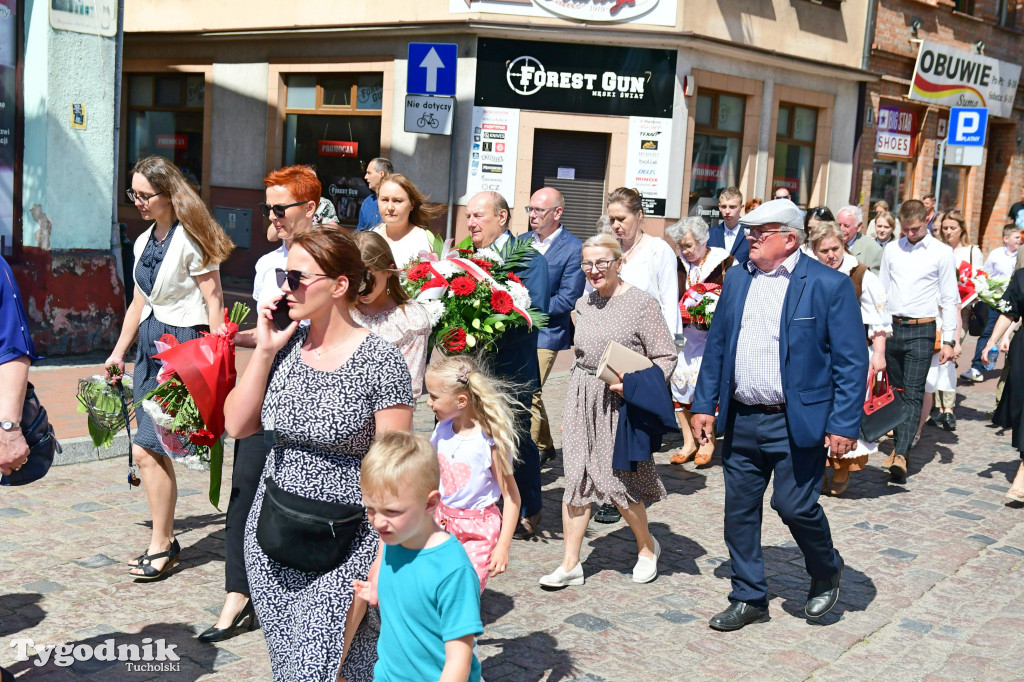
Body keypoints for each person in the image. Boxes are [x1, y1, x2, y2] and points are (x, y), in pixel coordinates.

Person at [223, 227, 414, 681]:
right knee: (295, 666)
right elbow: (237, 425)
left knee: (317, 668)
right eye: (285, 276)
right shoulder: (286, 344)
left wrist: (384, 556)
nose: (287, 287)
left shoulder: (380, 362)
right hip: (274, 533)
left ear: (339, 285)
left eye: (297, 276)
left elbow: (394, 467)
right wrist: (265, 349)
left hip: (347, 540)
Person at [691, 199, 866, 630]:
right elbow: (718, 346)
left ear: (789, 239)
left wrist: (843, 423)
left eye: (759, 232)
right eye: (748, 231)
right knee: (739, 513)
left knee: (794, 505)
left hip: (796, 421)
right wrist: (703, 404)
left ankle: (825, 569)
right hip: (744, 417)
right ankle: (749, 595)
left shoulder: (827, 284)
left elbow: (851, 361)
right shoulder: (737, 280)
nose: (749, 237)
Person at [200, 165, 320, 643]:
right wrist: (231, 337)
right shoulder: (264, 264)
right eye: (266, 207)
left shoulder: (335, 260)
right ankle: (238, 596)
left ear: (309, 208)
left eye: (280, 208)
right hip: (267, 383)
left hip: (318, 387)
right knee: (244, 487)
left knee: (304, 493)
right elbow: (270, 334)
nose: (271, 216)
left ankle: (302, 593)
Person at [105, 156, 233, 580]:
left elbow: (214, 302)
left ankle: (163, 543)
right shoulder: (144, 242)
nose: (138, 202)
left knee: (147, 447)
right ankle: (164, 540)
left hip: (180, 350)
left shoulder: (192, 239)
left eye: (145, 195)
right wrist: (118, 351)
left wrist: (215, 361)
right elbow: (139, 303)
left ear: (169, 193)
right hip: (147, 348)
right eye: (134, 194)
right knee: (150, 450)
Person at [539, 233, 676, 588]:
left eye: (602, 262)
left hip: (621, 403)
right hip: (582, 397)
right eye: (588, 264)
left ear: (619, 262)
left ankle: (647, 547)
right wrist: (575, 405)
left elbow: (665, 356)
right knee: (578, 477)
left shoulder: (642, 304)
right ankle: (570, 564)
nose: (594, 270)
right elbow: (581, 358)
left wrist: (633, 386)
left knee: (617, 479)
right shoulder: (583, 305)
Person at [355, 431, 484, 682]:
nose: (378, 522)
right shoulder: (396, 538)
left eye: (391, 511)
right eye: (371, 509)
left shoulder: (452, 570)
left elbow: (459, 659)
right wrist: (378, 589)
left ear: (429, 503)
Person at [465, 191, 550, 538]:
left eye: (478, 216)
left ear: (502, 218)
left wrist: (492, 317)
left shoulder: (530, 260)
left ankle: (530, 506)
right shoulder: (467, 259)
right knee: (477, 437)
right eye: (468, 216)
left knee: (515, 438)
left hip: (513, 366)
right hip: (475, 365)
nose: (471, 223)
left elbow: (536, 315)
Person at [598, 186, 681, 523]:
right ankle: (610, 491)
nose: (616, 225)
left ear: (639, 216)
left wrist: (667, 358)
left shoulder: (658, 250)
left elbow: (668, 301)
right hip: (609, 346)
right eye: (612, 219)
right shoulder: (606, 248)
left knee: (632, 425)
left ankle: (630, 490)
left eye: (622, 219)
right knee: (607, 421)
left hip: (643, 350)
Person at [425, 355, 522, 590]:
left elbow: (511, 498)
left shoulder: (489, 442)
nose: (428, 403)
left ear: (461, 401)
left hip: (476, 529)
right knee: (435, 586)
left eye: (434, 397)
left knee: (464, 590)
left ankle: (460, 626)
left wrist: (503, 546)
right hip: (441, 523)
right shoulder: (441, 429)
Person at [878, 199, 959, 481]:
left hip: (923, 330)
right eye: (906, 229)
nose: (910, 233)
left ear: (928, 218)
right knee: (896, 392)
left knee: (913, 392)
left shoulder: (941, 253)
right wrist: (878, 328)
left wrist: (949, 339)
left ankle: (901, 451)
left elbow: (950, 298)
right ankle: (900, 445)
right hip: (894, 328)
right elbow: (883, 292)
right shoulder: (891, 249)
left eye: (915, 228)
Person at [808, 221, 891, 495]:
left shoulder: (860, 275)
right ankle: (817, 467)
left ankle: (843, 466)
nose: (831, 255)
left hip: (853, 354)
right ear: (814, 250)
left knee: (844, 411)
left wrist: (878, 355)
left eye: (835, 248)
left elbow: (880, 320)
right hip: (817, 356)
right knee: (819, 412)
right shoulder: (808, 274)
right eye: (824, 250)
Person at [522, 187, 585, 463]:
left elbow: (567, 298)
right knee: (525, 387)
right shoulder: (521, 241)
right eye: (530, 209)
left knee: (530, 389)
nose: (532, 215)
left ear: (557, 213)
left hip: (547, 331)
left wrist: (529, 311)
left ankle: (531, 452)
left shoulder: (573, 248)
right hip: (517, 328)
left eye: (539, 210)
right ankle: (546, 443)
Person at [666, 216, 733, 467]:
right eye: (681, 246)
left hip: (710, 337)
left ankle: (707, 441)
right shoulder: (675, 263)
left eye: (689, 245)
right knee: (679, 385)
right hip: (683, 335)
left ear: (704, 241)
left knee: (704, 385)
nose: (685, 251)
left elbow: (730, 298)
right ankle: (688, 441)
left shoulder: (725, 262)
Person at [351, 231, 431, 400]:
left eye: (368, 277)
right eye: (354, 277)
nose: (361, 286)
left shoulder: (410, 320)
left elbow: (409, 389)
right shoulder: (340, 309)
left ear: (389, 271)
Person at [966, 224, 1022, 381]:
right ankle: (977, 368)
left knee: (1008, 335)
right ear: (1006, 239)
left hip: (1013, 302)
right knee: (987, 333)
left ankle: (1006, 368)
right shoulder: (996, 254)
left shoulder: (1021, 255)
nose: (1019, 240)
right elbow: (985, 273)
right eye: (1017, 237)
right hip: (994, 300)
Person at [988, 269, 1024, 502]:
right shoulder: (1021, 277)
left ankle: (1022, 474)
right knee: (1021, 405)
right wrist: (991, 340)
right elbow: (1009, 312)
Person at [371, 173, 444, 268]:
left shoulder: (423, 241)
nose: (390, 207)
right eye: (384, 200)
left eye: (397, 201)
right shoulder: (372, 235)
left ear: (412, 205)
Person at [708, 186, 750, 264]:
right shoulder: (710, 234)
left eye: (732, 207)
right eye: (724, 207)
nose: (727, 211)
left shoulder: (751, 234)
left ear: (741, 207)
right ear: (719, 207)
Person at [837, 205, 882, 275]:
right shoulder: (830, 243)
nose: (841, 229)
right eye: (839, 225)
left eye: (846, 226)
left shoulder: (874, 249)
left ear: (858, 226)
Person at [357, 157, 392, 232]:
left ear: (381, 174)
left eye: (369, 173)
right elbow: (359, 232)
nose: (365, 177)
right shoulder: (367, 202)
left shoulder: (396, 204)